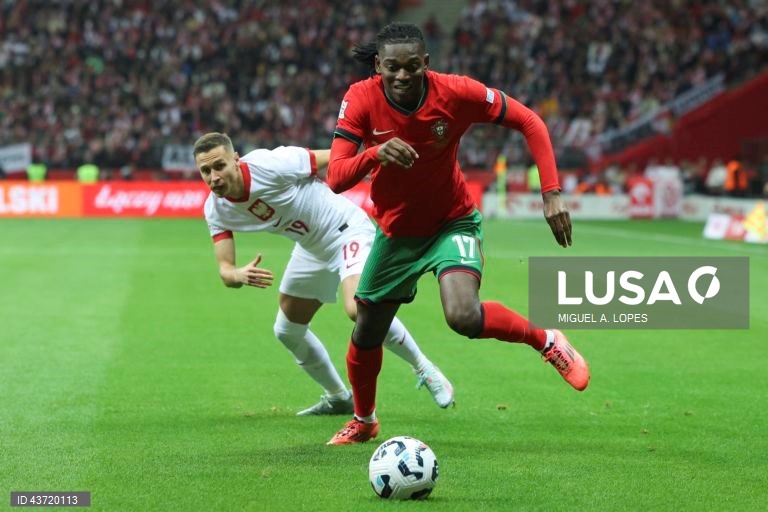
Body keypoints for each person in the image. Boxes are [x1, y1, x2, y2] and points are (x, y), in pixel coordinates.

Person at [324, 23, 589, 445]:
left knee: (463, 315)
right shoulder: (360, 98)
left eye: (412, 66)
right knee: (367, 331)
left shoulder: (456, 92)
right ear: (378, 66)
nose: (402, 75)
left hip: (452, 221)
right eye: (392, 67)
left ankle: (547, 340)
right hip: (397, 233)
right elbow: (336, 177)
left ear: (426, 64)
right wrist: (375, 154)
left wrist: (551, 193)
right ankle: (365, 419)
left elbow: (530, 121)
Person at [193, 132, 454, 417]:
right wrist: (237, 274)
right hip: (311, 248)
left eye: (219, 166)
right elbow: (225, 270)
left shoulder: (271, 164)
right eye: (205, 170)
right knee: (287, 331)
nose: (214, 177)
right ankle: (339, 397)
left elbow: (335, 158)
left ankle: (424, 367)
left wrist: (377, 160)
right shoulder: (216, 210)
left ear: (235, 159)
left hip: (346, 230)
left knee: (358, 308)